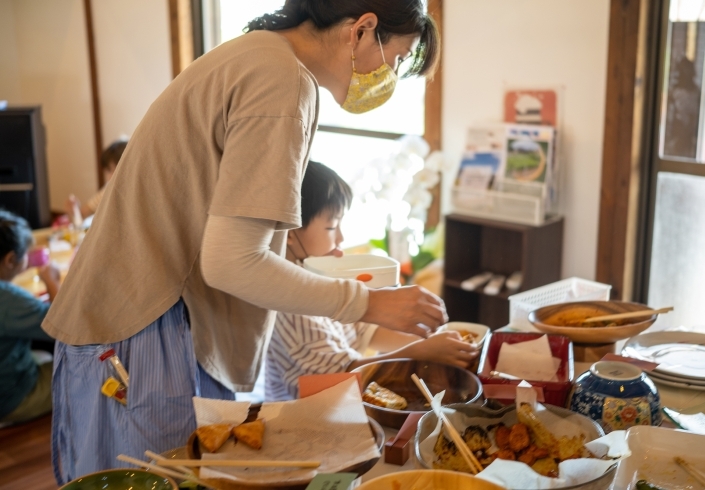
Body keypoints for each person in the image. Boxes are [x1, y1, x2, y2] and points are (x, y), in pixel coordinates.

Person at [42, 0, 442, 484]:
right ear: (362, 30)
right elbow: (233, 262)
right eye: (396, 59)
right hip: (147, 332)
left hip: (135, 322)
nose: (389, 77)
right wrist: (369, 303)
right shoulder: (282, 79)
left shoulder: (258, 57)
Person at [266, 162, 478, 401]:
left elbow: (367, 332)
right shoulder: (292, 305)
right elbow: (338, 377)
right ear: (290, 231)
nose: (341, 237)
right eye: (331, 226)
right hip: (307, 415)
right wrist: (420, 352)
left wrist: (431, 340)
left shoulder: (322, 278)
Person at [0, 210, 61, 426]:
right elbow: (62, 326)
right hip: (11, 397)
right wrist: (53, 282)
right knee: (86, 372)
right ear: (9, 260)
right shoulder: (10, 301)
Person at [65, 139, 127, 222]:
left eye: (112, 170)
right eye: (108, 170)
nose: (109, 176)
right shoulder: (107, 191)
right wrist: (74, 211)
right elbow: (82, 215)